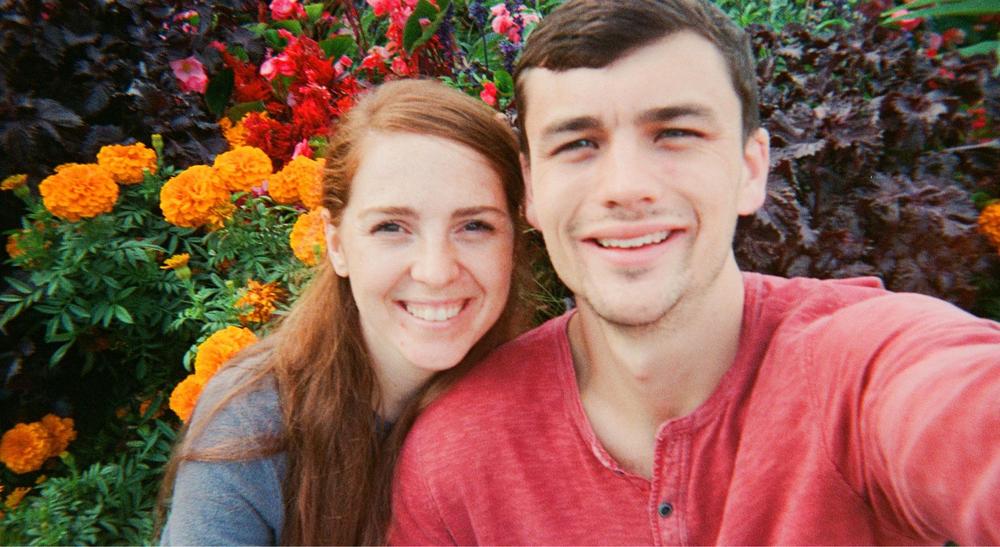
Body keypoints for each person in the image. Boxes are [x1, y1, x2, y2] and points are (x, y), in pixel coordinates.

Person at [389, 0, 1000, 544]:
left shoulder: (861, 369)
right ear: (530, 190)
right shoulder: (456, 457)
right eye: (577, 144)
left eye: (675, 133)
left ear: (750, 169)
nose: (625, 187)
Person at [157, 78, 533, 545]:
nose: (436, 271)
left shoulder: (552, 408)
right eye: (391, 227)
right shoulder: (256, 421)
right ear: (336, 245)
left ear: (513, 241)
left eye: (474, 226)